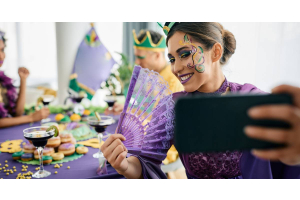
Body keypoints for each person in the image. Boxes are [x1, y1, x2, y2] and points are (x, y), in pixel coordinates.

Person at [101, 22, 300, 179]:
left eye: (185, 54)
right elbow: (145, 163)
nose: (176, 68)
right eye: (171, 59)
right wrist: (125, 165)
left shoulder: (252, 100)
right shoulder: (171, 107)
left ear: (215, 52)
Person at [106, 29, 183, 115]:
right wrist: (126, 109)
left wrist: (130, 113)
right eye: (136, 57)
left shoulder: (174, 82)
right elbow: (147, 111)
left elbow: (160, 120)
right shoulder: (151, 76)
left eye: (141, 57)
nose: (137, 62)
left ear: (157, 55)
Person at [0, 30, 50, 128]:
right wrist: (31, 118)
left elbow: (17, 113)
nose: (1, 56)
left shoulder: (2, 80)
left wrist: (23, 80)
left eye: (2, 50)